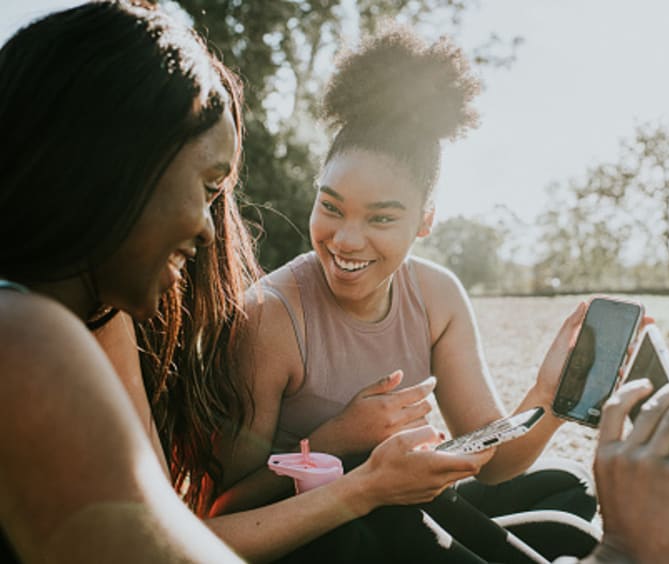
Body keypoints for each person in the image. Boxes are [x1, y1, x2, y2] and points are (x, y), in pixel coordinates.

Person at [0, 2, 493, 562]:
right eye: (208, 187)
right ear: (115, 168)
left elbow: (161, 518)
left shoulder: (94, 316)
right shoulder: (23, 338)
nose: (211, 232)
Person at [208, 25, 599, 561]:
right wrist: (338, 439)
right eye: (331, 206)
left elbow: (495, 461)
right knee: (386, 521)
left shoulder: (437, 296)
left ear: (425, 222)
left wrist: (549, 399)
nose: (345, 239)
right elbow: (223, 509)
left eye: (381, 218)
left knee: (570, 488)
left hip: (407, 505)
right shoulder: (271, 316)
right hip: (322, 534)